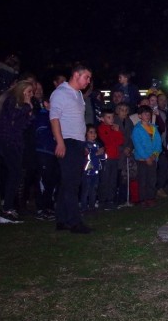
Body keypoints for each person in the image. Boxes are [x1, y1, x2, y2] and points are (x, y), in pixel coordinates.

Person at [50, 64, 93, 234]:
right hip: (67, 142)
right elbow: (54, 119)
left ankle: (61, 220)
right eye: (86, 77)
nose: (88, 81)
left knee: (67, 183)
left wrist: (83, 143)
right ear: (76, 75)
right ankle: (74, 222)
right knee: (72, 184)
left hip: (77, 143)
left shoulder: (78, 94)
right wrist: (60, 142)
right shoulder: (61, 93)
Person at [0, 80, 34, 223]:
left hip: (15, 142)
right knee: (15, 173)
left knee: (16, 174)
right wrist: (26, 107)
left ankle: (8, 208)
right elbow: (11, 117)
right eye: (29, 91)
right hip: (8, 142)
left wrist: (29, 113)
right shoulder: (11, 100)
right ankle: (6, 210)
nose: (30, 95)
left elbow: (22, 126)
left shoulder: (18, 104)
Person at [131, 105, 162, 207]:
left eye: (149, 114)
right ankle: (142, 199)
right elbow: (137, 145)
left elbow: (158, 143)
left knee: (152, 179)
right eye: (145, 114)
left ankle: (150, 198)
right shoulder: (137, 129)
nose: (147, 115)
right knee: (143, 179)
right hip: (142, 159)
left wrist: (154, 155)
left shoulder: (154, 128)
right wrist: (146, 157)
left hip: (153, 158)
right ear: (140, 116)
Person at [97, 108, 124, 209]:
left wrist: (117, 131)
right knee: (105, 179)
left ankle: (111, 200)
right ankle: (102, 201)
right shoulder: (101, 128)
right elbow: (108, 141)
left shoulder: (114, 128)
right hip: (106, 158)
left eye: (112, 117)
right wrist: (115, 133)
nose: (111, 119)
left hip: (115, 157)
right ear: (103, 118)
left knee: (113, 179)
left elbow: (120, 141)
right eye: (108, 117)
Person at [80, 124, 106, 212]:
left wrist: (103, 153)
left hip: (96, 171)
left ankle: (92, 206)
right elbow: (86, 157)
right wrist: (96, 154)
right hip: (87, 171)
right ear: (86, 133)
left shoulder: (98, 144)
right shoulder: (84, 145)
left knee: (94, 189)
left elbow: (103, 157)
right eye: (90, 132)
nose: (93, 134)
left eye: (95, 132)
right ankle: (83, 206)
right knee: (86, 190)